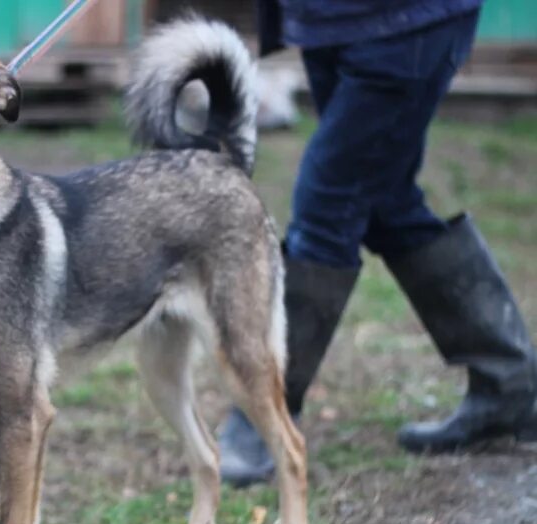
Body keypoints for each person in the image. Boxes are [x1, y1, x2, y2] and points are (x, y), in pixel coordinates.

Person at [220, 0, 537, 486]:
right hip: (330, 21)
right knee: (388, 205)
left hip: (406, 24)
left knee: (326, 205)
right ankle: (510, 386)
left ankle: (267, 412)